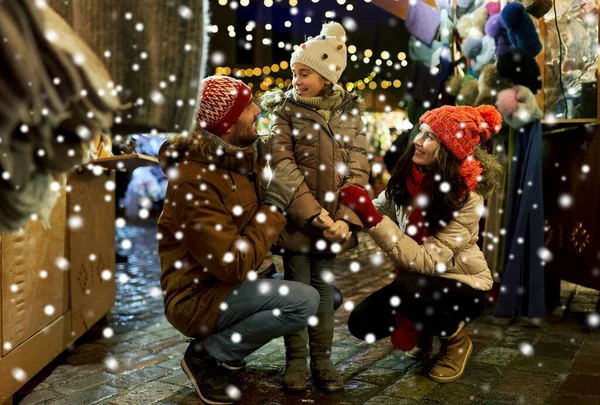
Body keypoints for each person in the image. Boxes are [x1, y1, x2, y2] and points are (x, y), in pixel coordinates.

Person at [157, 76, 320, 404]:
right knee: (304, 301)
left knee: (330, 297)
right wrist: (274, 207)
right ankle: (206, 354)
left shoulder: (238, 157)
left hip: (238, 283)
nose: (258, 110)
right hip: (198, 295)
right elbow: (232, 265)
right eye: (248, 106)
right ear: (226, 124)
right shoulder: (194, 183)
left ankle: (228, 346)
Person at [341, 105, 503, 383]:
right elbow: (379, 208)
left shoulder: (467, 198)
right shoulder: (410, 178)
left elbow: (425, 261)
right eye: (420, 132)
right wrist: (342, 217)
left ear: (450, 150)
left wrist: (370, 218)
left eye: (430, 137)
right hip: (421, 283)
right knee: (361, 324)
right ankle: (426, 328)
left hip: (464, 285)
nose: (417, 140)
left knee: (408, 288)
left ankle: (456, 342)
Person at [260, 21, 369, 392]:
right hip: (298, 221)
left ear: (326, 76)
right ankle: (295, 361)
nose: (297, 80)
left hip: (332, 224)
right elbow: (282, 164)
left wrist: (345, 219)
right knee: (296, 291)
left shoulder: (349, 113)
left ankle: (321, 359)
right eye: (294, 73)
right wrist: (312, 212)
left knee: (323, 290)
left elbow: (359, 167)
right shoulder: (285, 111)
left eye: (304, 73)